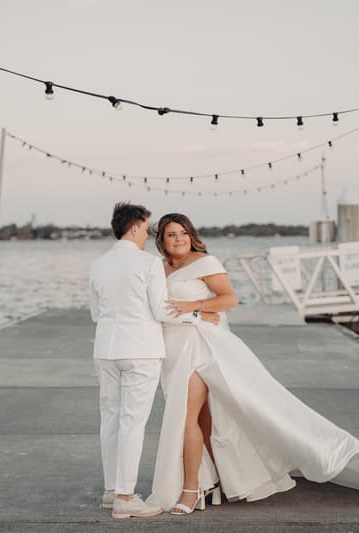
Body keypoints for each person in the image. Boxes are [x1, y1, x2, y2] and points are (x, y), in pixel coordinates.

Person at [147, 213, 359, 515]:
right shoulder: (159, 268)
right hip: (171, 350)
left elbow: (228, 300)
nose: (179, 239)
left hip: (200, 348)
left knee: (185, 418)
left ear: (191, 234)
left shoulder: (205, 263)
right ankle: (215, 481)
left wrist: (196, 308)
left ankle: (189, 490)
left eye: (183, 233)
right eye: (171, 234)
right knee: (206, 419)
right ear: (161, 240)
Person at [89, 203, 218, 519]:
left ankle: (110, 490)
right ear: (134, 228)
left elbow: (95, 313)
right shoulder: (147, 264)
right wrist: (199, 316)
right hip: (141, 351)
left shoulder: (98, 264)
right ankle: (126, 497)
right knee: (133, 422)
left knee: (111, 419)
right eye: (146, 229)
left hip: (105, 350)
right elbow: (162, 311)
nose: (148, 235)